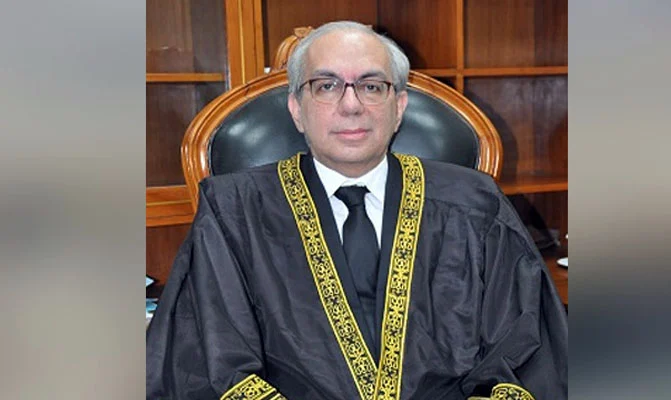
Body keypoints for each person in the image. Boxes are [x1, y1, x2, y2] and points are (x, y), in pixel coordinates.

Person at [146, 21, 567, 400]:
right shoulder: (232, 212)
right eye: (326, 86)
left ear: (398, 107)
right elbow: (210, 364)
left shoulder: (475, 204)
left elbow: (525, 352)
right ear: (296, 109)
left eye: (371, 86)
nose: (351, 105)